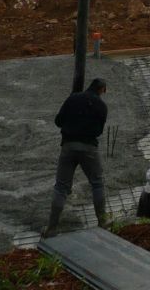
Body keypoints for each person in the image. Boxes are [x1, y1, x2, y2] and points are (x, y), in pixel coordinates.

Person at [43, 77, 108, 237]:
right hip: (89, 148)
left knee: (61, 187)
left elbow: (58, 121)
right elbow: (99, 131)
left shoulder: (73, 98)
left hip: (68, 146)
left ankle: (51, 228)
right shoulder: (101, 106)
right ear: (102, 90)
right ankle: (103, 222)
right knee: (97, 184)